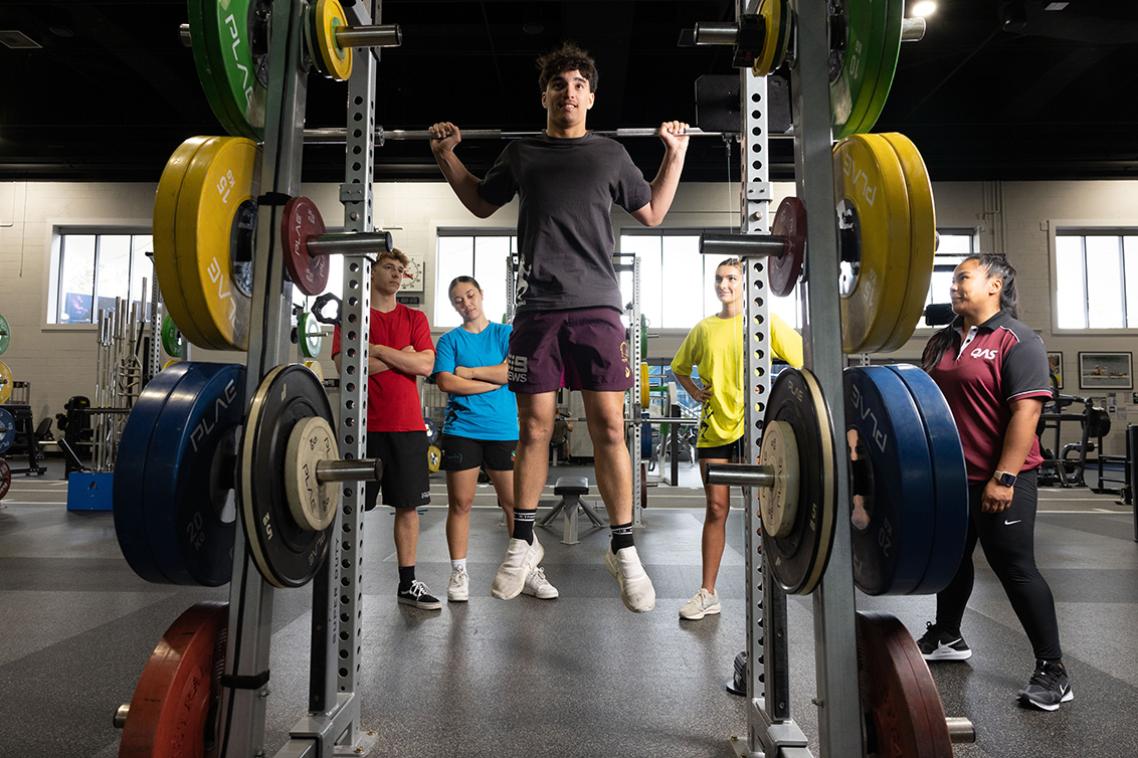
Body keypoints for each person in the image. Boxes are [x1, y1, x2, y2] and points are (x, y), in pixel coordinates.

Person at [428, 42, 689, 612]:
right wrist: (448, 155)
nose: (567, 92)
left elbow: (653, 213)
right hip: (538, 310)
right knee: (536, 427)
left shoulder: (612, 155)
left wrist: (675, 152)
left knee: (609, 427)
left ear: (590, 96)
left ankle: (623, 548)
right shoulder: (522, 154)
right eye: (558, 84)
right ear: (543, 95)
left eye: (577, 84)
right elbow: (478, 203)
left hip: (598, 307)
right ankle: (523, 540)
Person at [917, 253, 1071, 711]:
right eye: (953, 279)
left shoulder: (1017, 340)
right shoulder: (943, 341)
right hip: (952, 478)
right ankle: (948, 634)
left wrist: (1003, 477)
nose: (955, 285)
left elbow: (1027, 412)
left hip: (1003, 477)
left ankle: (1053, 670)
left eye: (965, 277)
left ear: (995, 285)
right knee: (950, 559)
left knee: (1015, 568)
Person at [669, 258, 804, 620]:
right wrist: (695, 392)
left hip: (754, 428)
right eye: (719, 278)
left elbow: (803, 359)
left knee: (766, 511)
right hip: (714, 429)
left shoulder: (763, 323)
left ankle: (774, 589)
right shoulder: (704, 329)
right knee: (716, 509)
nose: (724, 284)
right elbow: (679, 367)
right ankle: (707, 592)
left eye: (731, 278)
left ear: (746, 284)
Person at [432, 275, 558, 602]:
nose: (466, 303)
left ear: (481, 294)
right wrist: (492, 380)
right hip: (462, 431)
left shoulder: (505, 334)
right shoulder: (450, 342)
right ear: (454, 305)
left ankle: (527, 571)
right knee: (461, 504)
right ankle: (459, 573)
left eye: (470, 295)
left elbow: (510, 372)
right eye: (459, 300)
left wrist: (471, 373)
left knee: (514, 504)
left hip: (503, 430)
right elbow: (446, 381)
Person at [331, 248, 441, 610]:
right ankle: (339, 582)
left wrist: (376, 350)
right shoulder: (351, 316)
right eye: (389, 268)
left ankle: (407, 584)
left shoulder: (414, 317)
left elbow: (425, 364)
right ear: (371, 272)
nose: (396, 275)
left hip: (407, 427)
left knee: (408, 508)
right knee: (349, 507)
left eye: (400, 270)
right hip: (360, 429)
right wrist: (401, 355)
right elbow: (347, 368)